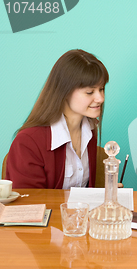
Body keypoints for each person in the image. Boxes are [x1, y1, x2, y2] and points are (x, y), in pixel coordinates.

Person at [6, 49, 109, 189]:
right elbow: (27, 204)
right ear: (65, 91)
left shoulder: (90, 131)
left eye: (101, 89)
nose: (100, 98)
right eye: (89, 92)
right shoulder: (27, 142)